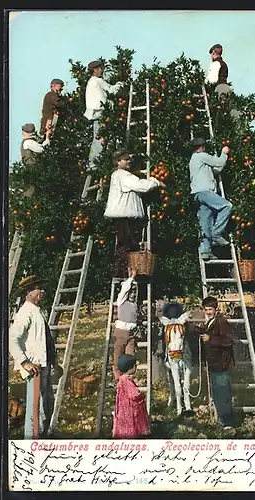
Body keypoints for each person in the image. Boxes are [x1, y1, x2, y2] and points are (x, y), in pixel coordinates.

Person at [9, 275, 62, 438]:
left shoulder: (37, 311)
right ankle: (30, 442)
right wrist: (24, 362)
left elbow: (45, 339)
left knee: (47, 405)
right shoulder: (25, 313)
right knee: (36, 407)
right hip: (35, 368)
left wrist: (54, 362)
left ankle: (43, 438)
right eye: (38, 288)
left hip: (44, 364)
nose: (42, 291)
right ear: (28, 292)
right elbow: (12, 338)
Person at [104, 148, 163, 277]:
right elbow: (142, 186)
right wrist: (155, 181)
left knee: (125, 244)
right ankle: (125, 273)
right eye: (126, 159)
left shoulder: (119, 175)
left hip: (124, 216)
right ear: (118, 162)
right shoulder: (123, 175)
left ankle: (125, 272)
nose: (129, 161)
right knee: (126, 245)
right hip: (124, 216)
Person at [189, 137, 232, 260]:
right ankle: (217, 233)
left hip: (197, 194)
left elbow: (217, 169)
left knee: (205, 221)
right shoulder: (201, 156)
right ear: (202, 147)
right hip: (205, 191)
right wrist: (224, 153)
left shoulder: (195, 160)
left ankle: (205, 251)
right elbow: (218, 162)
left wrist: (222, 160)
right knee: (226, 206)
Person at [198, 296, 235, 429]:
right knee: (217, 393)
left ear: (216, 309)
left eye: (210, 309)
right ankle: (222, 421)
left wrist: (210, 339)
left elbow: (229, 340)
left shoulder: (222, 322)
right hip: (213, 364)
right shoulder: (209, 321)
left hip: (222, 363)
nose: (208, 312)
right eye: (206, 309)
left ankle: (227, 423)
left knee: (223, 393)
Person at [84, 60, 124, 169]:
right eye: (100, 68)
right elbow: (111, 90)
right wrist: (120, 84)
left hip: (94, 114)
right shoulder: (98, 81)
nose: (102, 70)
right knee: (101, 138)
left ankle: (95, 162)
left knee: (98, 137)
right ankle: (93, 164)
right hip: (101, 112)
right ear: (95, 70)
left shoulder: (90, 82)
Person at [112, 354, 151, 439]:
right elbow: (134, 395)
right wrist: (141, 395)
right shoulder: (126, 381)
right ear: (130, 368)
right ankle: (133, 435)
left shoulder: (122, 379)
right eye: (134, 366)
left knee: (124, 422)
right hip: (130, 408)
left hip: (123, 406)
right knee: (131, 422)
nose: (136, 367)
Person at [112, 268, 138, 382]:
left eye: (134, 291)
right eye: (131, 291)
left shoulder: (134, 304)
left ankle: (128, 378)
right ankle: (118, 377)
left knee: (131, 356)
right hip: (121, 332)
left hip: (131, 334)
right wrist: (132, 277)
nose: (132, 293)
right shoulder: (121, 300)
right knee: (118, 354)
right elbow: (125, 288)